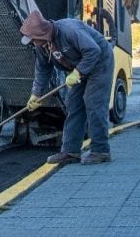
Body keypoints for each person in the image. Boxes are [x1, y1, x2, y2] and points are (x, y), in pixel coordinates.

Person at [20, 9, 114, 165]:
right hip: (79, 67)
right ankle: (70, 151)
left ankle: (101, 150)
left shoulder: (69, 30)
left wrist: (78, 72)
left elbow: (93, 50)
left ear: (42, 34)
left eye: (32, 39)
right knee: (74, 105)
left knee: (93, 103)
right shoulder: (41, 45)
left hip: (99, 63)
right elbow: (43, 69)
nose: (31, 42)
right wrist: (36, 94)